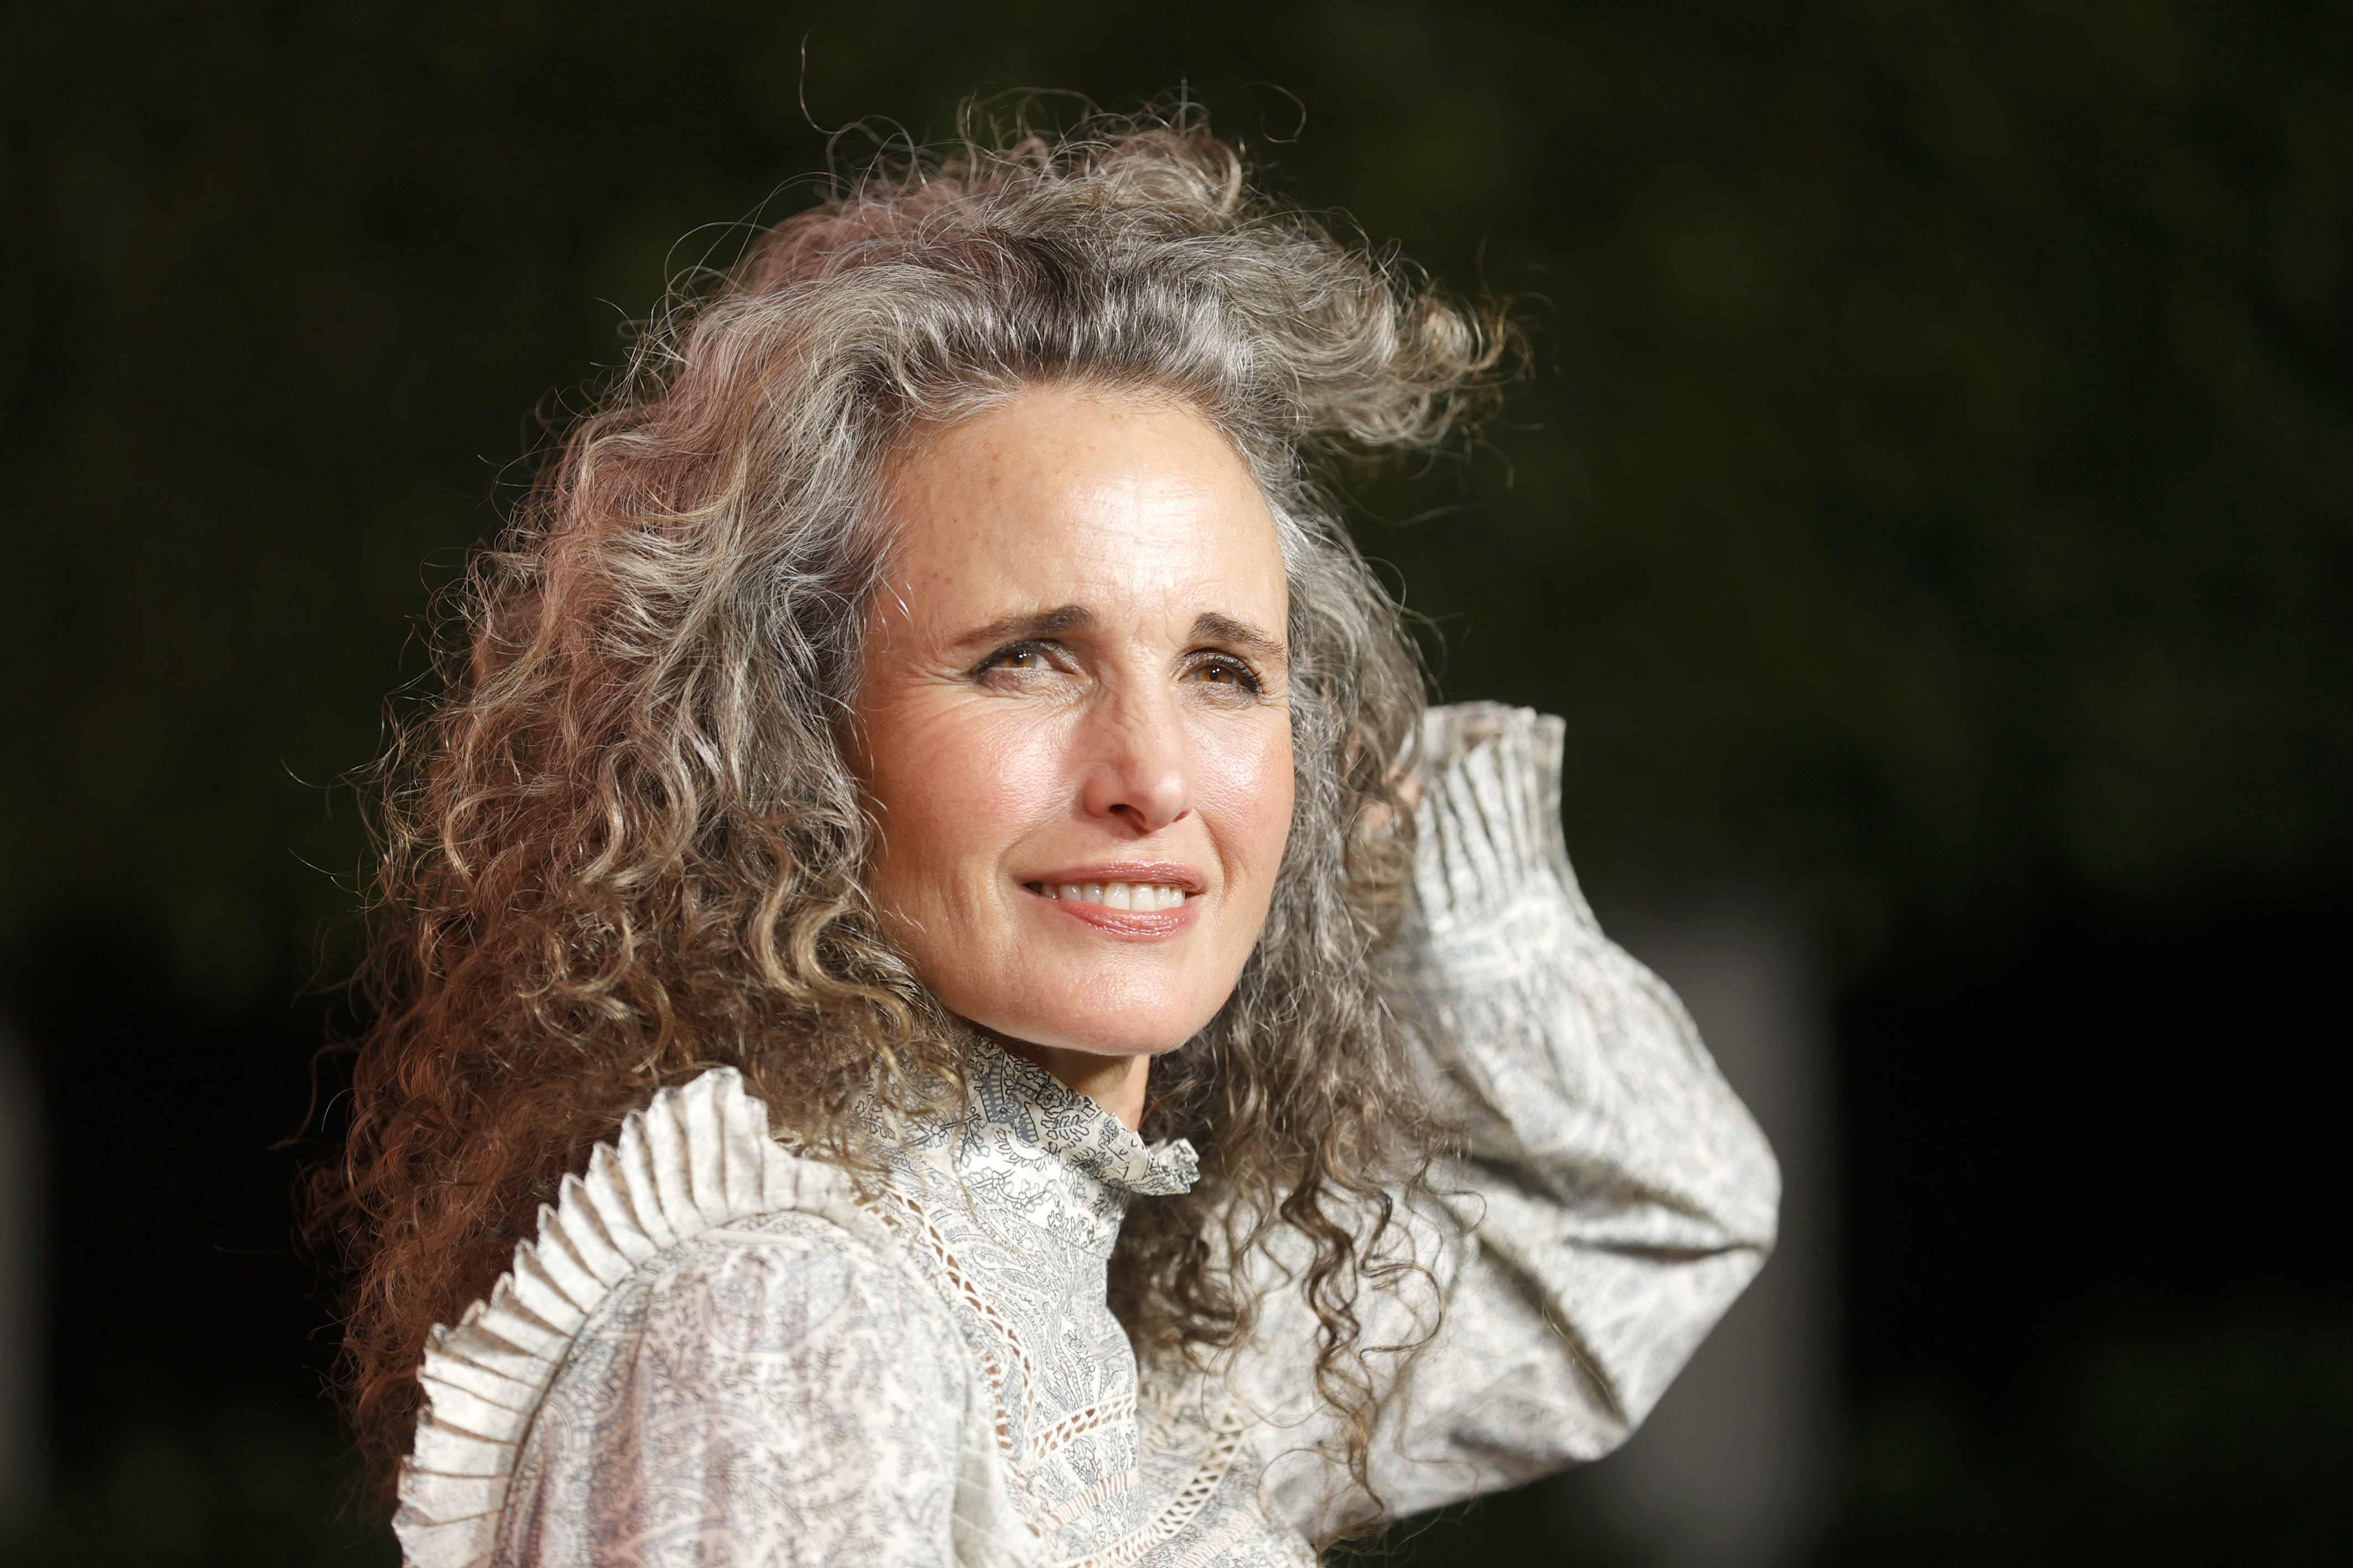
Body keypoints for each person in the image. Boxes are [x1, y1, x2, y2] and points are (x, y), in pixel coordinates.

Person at [318, 110, 1779, 1568]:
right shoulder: (792, 1319)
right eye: (1028, 656)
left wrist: (1385, 817)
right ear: (790, 736)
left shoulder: (1102, 1312)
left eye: (1224, 671)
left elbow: (1644, 1217)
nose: (1151, 778)